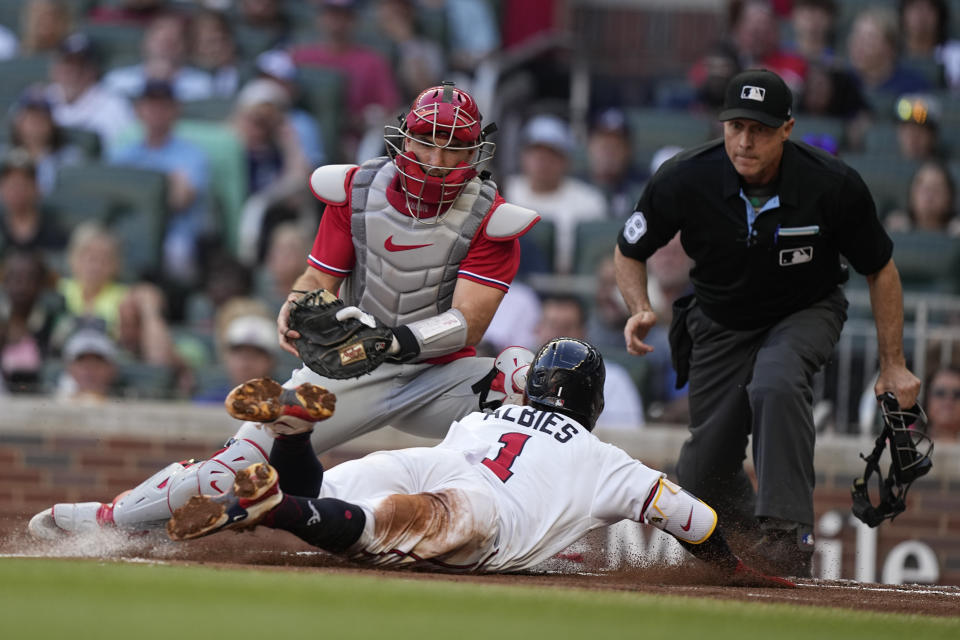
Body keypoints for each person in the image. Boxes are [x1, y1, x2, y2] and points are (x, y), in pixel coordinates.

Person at [28, 82, 540, 540]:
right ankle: (108, 521)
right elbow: (317, 280)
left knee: (531, 382)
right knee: (229, 468)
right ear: (403, 139)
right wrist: (294, 305)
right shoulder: (357, 193)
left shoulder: (492, 219)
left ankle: (545, 534)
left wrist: (396, 339)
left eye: (453, 147)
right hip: (355, 365)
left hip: (440, 376)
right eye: (426, 140)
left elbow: (469, 322)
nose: (436, 158)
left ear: (476, 153)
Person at [164, 338, 792, 588]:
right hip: (482, 510)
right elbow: (693, 519)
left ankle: (294, 440)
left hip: (424, 461)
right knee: (369, 530)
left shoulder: (485, 415)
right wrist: (733, 567)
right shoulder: (605, 459)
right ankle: (277, 500)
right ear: (593, 402)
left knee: (328, 500)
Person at [613, 69, 921, 577]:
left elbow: (880, 270)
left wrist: (894, 363)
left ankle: (786, 533)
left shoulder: (832, 184)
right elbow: (629, 250)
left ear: (787, 128)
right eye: (735, 126)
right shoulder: (686, 176)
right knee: (701, 469)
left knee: (776, 380)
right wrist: (639, 306)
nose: (745, 140)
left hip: (804, 310)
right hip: (719, 320)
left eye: (758, 128)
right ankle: (750, 547)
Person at [109, 79, 213, 287]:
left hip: (174, 230)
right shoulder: (124, 153)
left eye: (163, 106)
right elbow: (111, 197)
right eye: (150, 105)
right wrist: (166, 182)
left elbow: (180, 200)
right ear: (139, 110)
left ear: (174, 110)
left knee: (177, 253)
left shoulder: (192, 154)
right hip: (130, 225)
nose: (156, 112)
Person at [504, 114, 607, 273]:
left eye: (552, 153)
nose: (542, 160)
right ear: (523, 155)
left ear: (566, 160)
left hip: (567, 287)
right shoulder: (504, 189)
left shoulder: (590, 200)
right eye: (535, 151)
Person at [533, 295, 644, 431]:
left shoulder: (613, 378)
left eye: (567, 327)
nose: (558, 336)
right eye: (552, 326)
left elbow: (629, 435)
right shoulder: (520, 371)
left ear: (583, 332)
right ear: (538, 329)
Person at [44, 32, 136, 152]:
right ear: (55, 68)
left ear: (94, 70)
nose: (73, 72)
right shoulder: (42, 98)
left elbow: (125, 152)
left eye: (81, 65)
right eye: (67, 63)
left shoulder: (115, 106)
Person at [885, 159, 960, 236]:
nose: (929, 195)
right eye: (922, 188)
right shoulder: (897, 229)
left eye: (936, 188)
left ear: (949, 197)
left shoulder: (957, 233)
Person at [925, 365, 960, 441]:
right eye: (940, 393)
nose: (948, 400)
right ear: (927, 398)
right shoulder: (904, 440)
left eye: (957, 394)